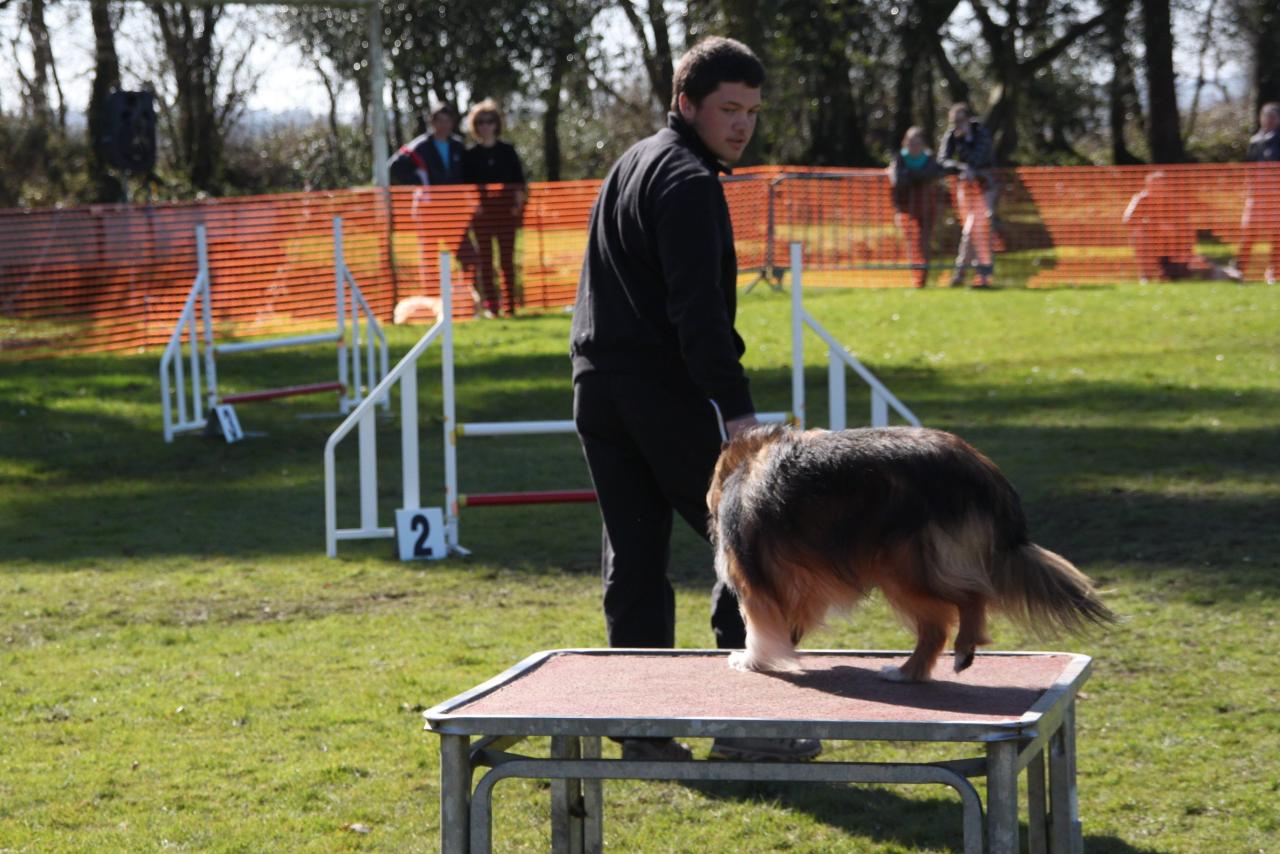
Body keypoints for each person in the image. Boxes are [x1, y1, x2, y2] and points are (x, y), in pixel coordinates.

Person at [570, 36, 821, 764]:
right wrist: (736, 408)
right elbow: (698, 314)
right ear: (686, 103)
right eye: (728, 109)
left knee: (634, 555)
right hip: (666, 390)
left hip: (596, 385)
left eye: (752, 112)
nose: (742, 125)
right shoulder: (688, 182)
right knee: (750, 539)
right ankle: (748, 724)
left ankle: (641, 731)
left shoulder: (633, 161)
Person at [462, 99, 527, 316]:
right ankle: (491, 305)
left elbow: (519, 182)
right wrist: (473, 205)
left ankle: (510, 304)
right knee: (485, 261)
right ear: (475, 125)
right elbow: (466, 188)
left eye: (489, 121)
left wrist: (518, 206)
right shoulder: (470, 155)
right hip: (482, 216)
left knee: (507, 260)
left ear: (496, 124)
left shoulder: (507, 151)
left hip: (506, 214)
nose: (485, 126)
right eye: (481, 122)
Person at [1123, 170, 1240, 282]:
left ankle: (1224, 273)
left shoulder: (1174, 203)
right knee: (1138, 234)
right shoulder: (1141, 200)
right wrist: (1156, 226)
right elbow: (1128, 221)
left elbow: (1186, 229)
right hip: (1153, 247)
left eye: (1160, 186)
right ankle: (1147, 275)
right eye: (1154, 185)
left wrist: (1185, 250)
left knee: (1194, 266)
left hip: (1175, 249)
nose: (1157, 189)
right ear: (1148, 186)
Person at [938, 103, 997, 288]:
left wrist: (966, 140)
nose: (957, 125)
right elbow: (942, 160)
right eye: (954, 122)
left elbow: (979, 158)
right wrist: (960, 167)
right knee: (973, 229)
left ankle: (963, 273)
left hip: (985, 186)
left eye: (960, 121)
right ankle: (980, 275)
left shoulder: (981, 133)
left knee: (974, 229)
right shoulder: (951, 135)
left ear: (969, 119)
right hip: (966, 188)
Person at [887, 127, 944, 287]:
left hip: (927, 207)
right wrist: (917, 177)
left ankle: (923, 276)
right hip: (906, 208)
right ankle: (916, 275)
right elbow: (899, 180)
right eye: (911, 143)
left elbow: (929, 175)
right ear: (905, 143)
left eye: (917, 144)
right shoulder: (899, 158)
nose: (914, 147)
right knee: (912, 242)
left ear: (923, 144)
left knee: (924, 242)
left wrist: (910, 175)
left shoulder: (929, 158)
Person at [1232, 102, 1280, 284]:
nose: (1269, 120)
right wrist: (1246, 187)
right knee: (1248, 231)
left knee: (1277, 234)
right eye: (1266, 116)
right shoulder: (1255, 141)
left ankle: (1273, 272)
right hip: (1256, 195)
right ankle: (1239, 270)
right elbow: (1248, 166)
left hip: (1276, 195)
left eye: (1273, 116)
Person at [387, 106, 465, 186]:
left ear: (452, 123)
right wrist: (416, 182)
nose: (444, 125)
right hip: (430, 193)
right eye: (440, 120)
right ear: (432, 122)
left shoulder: (459, 145)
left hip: (457, 193)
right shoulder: (419, 146)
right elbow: (394, 166)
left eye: (447, 121)